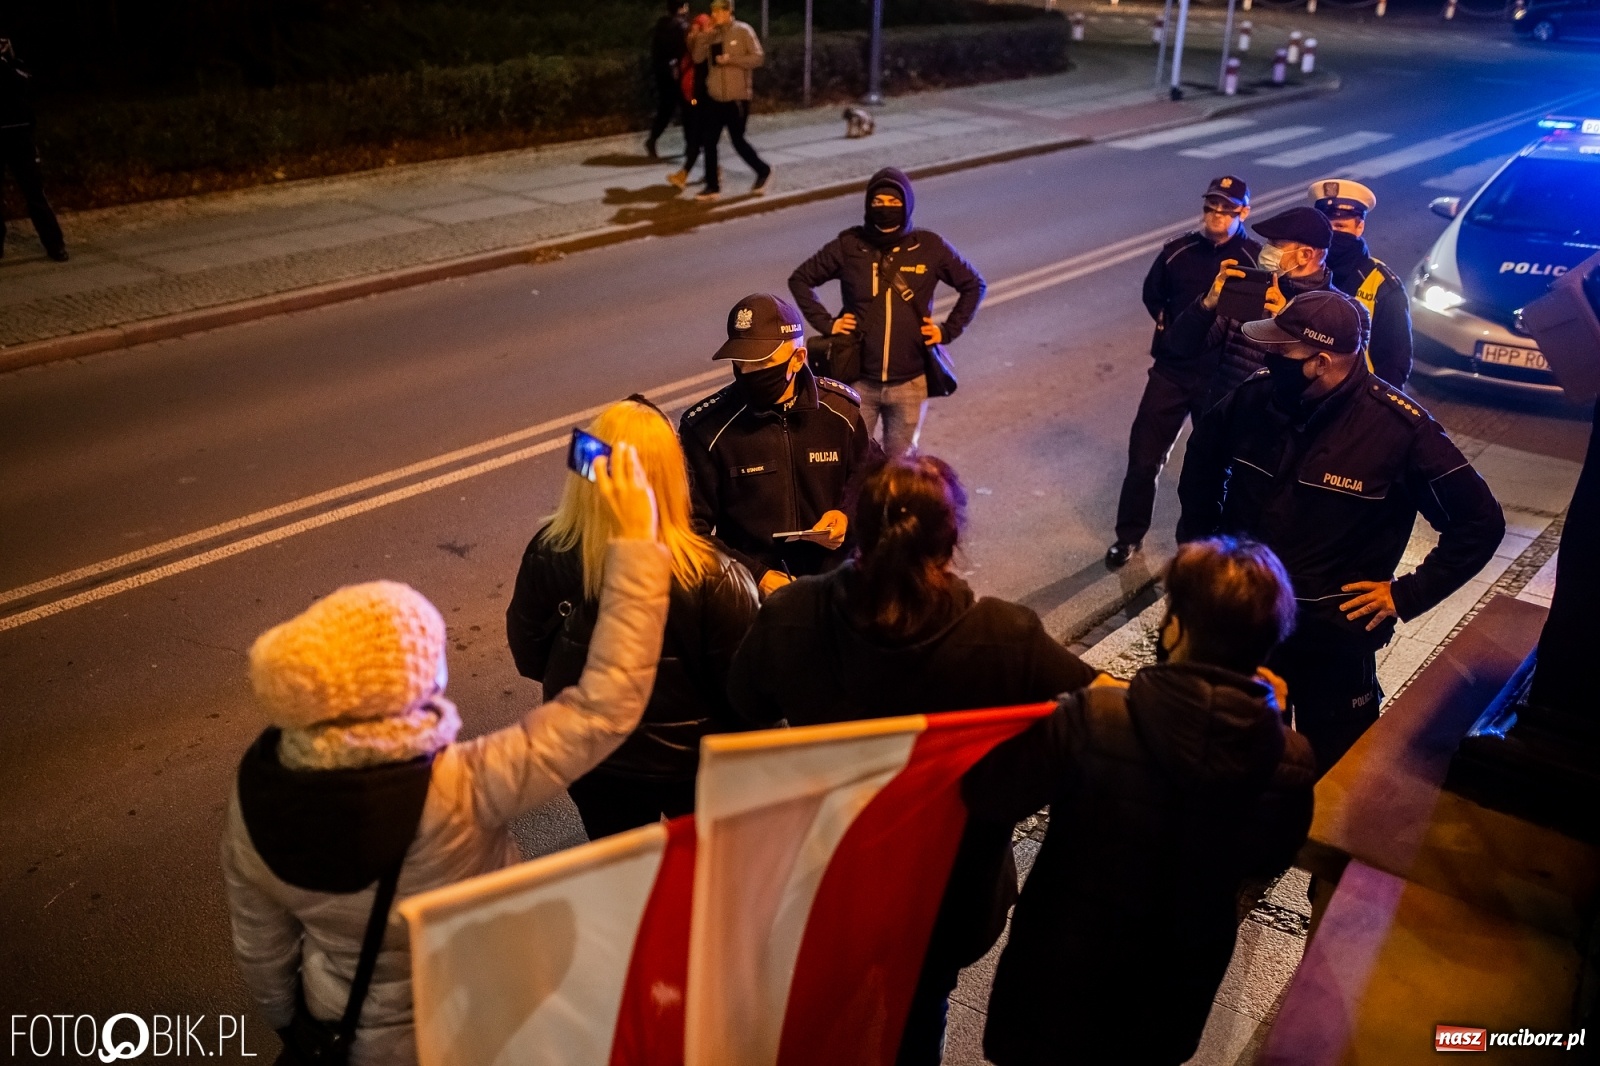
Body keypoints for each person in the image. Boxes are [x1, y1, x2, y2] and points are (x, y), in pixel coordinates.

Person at [222, 445, 671, 1066]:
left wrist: (295, 1027)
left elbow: (263, 953)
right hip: (477, 1022)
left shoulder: (255, 796)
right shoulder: (460, 788)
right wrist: (637, 546)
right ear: (402, 694)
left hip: (348, 1032)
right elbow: (606, 704)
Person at [728, 454, 1111, 1066]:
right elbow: (1105, 707)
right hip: (947, 896)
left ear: (860, 531)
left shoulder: (790, 615)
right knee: (919, 1011)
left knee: (823, 1013)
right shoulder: (1004, 638)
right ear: (952, 537)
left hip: (828, 877)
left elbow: (741, 712)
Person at [962, 537, 1316, 1066]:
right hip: (1169, 1000)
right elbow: (1266, 862)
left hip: (1057, 985)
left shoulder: (1098, 717)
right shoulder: (1289, 763)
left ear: (1176, 628)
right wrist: (1270, 724)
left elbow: (991, 793)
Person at [1177, 290, 1505, 775]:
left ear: (1321, 361)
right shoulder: (1255, 398)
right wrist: (1204, 551)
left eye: (1282, 350)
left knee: (1333, 774)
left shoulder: (1400, 430)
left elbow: (1480, 523)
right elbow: (1202, 464)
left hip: (1330, 642)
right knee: (1230, 759)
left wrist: (1407, 594)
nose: (1269, 356)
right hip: (1245, 624)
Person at [506, 397, 759, 840]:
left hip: (594, 758)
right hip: (695, 766)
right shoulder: (715, 575)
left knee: (624, 880)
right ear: (672, 476)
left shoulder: (548, 552)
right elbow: (748, 694)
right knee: (700, 875)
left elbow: (530, 657)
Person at [1107, 175, 1259, 569]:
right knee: (1143, 459)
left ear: (1244, 212)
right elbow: (1152, 293)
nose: (1216, 216)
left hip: (1219, 380)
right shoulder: (1179, 251)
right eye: (1211, 208)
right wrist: (1167, 327)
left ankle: (1199, 551)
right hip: (1172, 372)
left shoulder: (1254, 261)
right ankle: (1128, 537)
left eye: (1226, 209)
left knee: (1207, 472)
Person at [680, 293, 875, 597]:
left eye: (762, 362)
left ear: (797, 359)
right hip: (752, 598)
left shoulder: (840, 412)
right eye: (741, 361)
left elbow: (872, 478)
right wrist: (754, 574)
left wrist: (846, 514)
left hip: (836, 589)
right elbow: (690, 529)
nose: (747, 372)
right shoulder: (707, 429)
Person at [788, 167, 986, 457]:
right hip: (858, 382)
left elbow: (973, 285)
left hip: (909, 384)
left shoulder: (929, 246)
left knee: (899, 468)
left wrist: (947, 330)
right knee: (853, 463)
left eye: (894, 202)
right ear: (868, 205)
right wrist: (827, 324)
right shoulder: (850, 246)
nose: (885, 208)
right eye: (878, 202)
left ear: (907, 205)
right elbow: (801, 279)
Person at [1165, 205, 1337, 411]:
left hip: (1280, 435)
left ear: (1305, 255)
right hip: (1225, 425)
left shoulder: (1343, 312)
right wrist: (1206, 304)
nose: (1266, 250)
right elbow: (1180, 347)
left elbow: (1332, 386)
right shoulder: (1251, 290)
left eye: (1275, 244)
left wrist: (1289, 324)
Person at [1310, 177, 1413, 387]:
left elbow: (1394, 363)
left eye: (1340, 225)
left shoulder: (1382, 284)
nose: (1332, 234)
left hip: (1355, 400)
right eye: (1325, 226)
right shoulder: (1302, 268)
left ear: (1359, 227)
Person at [688, 0, 771, 201]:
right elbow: (698, 58)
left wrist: (731, 60)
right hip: (715, 97)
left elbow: (758, 58)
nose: (714, 14)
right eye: (712, 11)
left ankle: (763, 170)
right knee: (709, 141)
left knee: (738, 141)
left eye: (718, 11)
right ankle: (712, 187)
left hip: (737, 98)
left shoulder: (742, 30)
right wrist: (702, 36)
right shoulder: (712, 33)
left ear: (728, 11)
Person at [0, 36, 66, 262]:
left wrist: (6, 60)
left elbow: (23, 85)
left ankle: (55, 244)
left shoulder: (16, 63)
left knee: (35, 192)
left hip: (19, 133)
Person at [667, 13, 716, 190]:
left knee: (697, 139)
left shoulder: (703, 51)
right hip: (690, 99)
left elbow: (703, 75)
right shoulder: (687, 51)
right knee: (701, 140)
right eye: (691, 30)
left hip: (701, 100)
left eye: (696, 30)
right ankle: (714, 171)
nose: (690, 34)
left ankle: (685, 174)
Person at [645, 0, 690, 160]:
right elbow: (685, 50)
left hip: (661, 72)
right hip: (678, 73)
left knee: (666, 109)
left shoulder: (660, 26)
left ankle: (652, 139)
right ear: (682, 8)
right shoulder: (682, 27)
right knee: (688, 108)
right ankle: (691, 146)